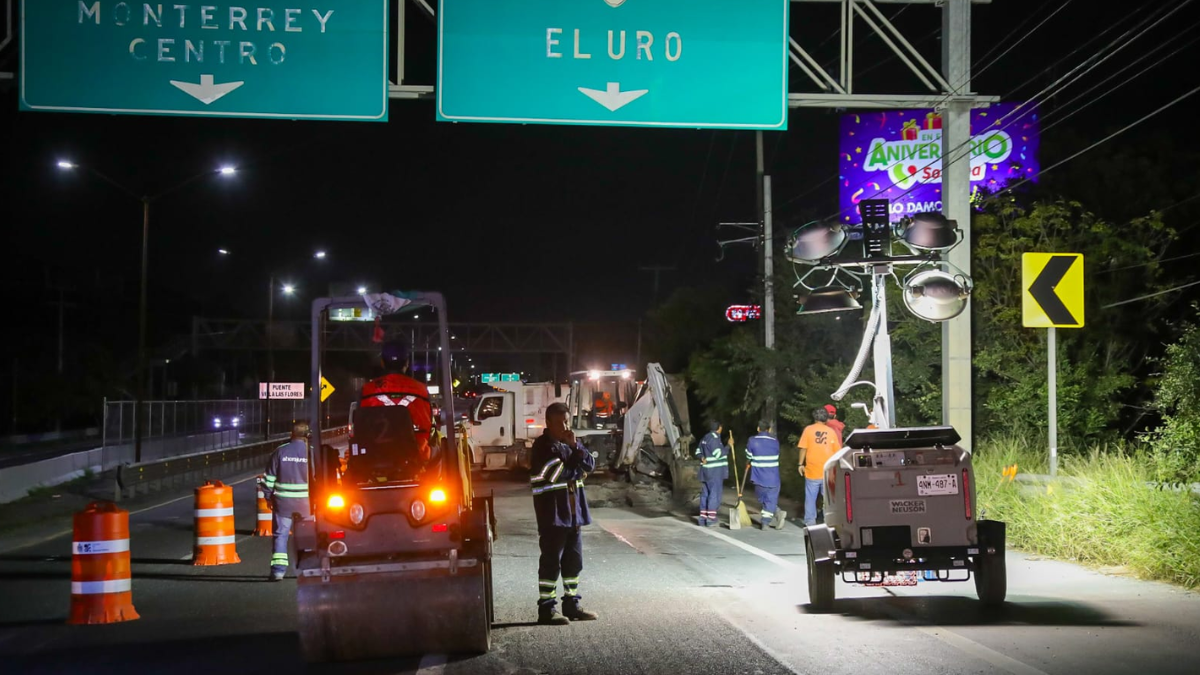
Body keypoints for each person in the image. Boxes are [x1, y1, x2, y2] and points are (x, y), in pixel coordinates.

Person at [530, 402, 599, 625]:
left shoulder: (569, 444)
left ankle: (572, 605)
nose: (565, 426)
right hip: (553, 515)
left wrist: (576, 447)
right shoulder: (543, 447)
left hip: (573, 515)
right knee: (551, 562)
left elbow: (590, 464)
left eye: (567, 421)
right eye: (560, 422)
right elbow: (558, 473)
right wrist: (577, 468)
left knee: (573, 562)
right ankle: (546, 610)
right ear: (548, 423)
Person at [360, 339, 433, 461]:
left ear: (382, 362)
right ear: (407, 363)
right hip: (416, 455)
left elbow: (361, 427)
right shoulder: (421, 390)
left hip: (374, 457)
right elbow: (427, 426)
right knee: (439, 450)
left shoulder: (367, 390)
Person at [262, 422, 311, 581]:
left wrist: (268, 496)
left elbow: (269, 478)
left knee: (281, 536)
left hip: (283, 503)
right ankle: (308, 569)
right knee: (308, 535)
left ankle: (278, 571)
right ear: (307, 436)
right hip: (306, 504)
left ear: (292, 433)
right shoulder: (311, 453)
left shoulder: (280, 451)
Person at [798, 407, 841, 527]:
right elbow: (837, 452)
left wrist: (800, 464)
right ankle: (829, 520)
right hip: (827, 471)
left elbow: (803, 448)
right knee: (828, 498)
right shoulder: (831, 432)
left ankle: (810, 522)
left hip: (812, 469)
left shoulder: (808, 430)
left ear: (814, 417)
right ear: (826, 418)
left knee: (810, 498)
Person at [745, 420, 782, 530]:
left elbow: (748, 456)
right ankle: (777, 512)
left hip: (758, 477)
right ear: (769, 429)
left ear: (758, 428)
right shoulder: (775, 442)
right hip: (773, 477)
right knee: (767, 500)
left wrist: (748, 462)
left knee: (766, 499)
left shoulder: (752, 441)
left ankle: (765, 521)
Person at [694, 420, 730, 527]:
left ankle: (702, 518)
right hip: (714, 472)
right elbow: (718, 454)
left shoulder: (705, 438)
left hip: (706, 471)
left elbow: (697, 451)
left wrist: (701, 457)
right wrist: (728, 446)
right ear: (719, 428)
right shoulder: (714, 439)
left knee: (705, 494)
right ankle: (711, 518)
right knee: (714, 494)